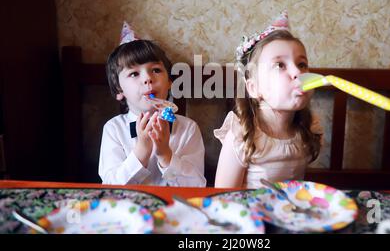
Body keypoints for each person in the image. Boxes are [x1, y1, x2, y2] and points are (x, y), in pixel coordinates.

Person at [214, 11, 323, 188]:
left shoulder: (309, 127)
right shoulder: (242, 135)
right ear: (254, 88)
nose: (297, 73)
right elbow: (222, 197)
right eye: (280, 65)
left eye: (302, 64)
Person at [99, 22, 206, 186]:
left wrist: (165, 154)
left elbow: (197, 186)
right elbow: (111, 186)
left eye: (156, 70)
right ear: (119, 90)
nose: (147, 78)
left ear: (169, 81)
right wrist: (141, 150)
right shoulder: (113, 129)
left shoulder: (188, 128)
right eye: (134, 73)